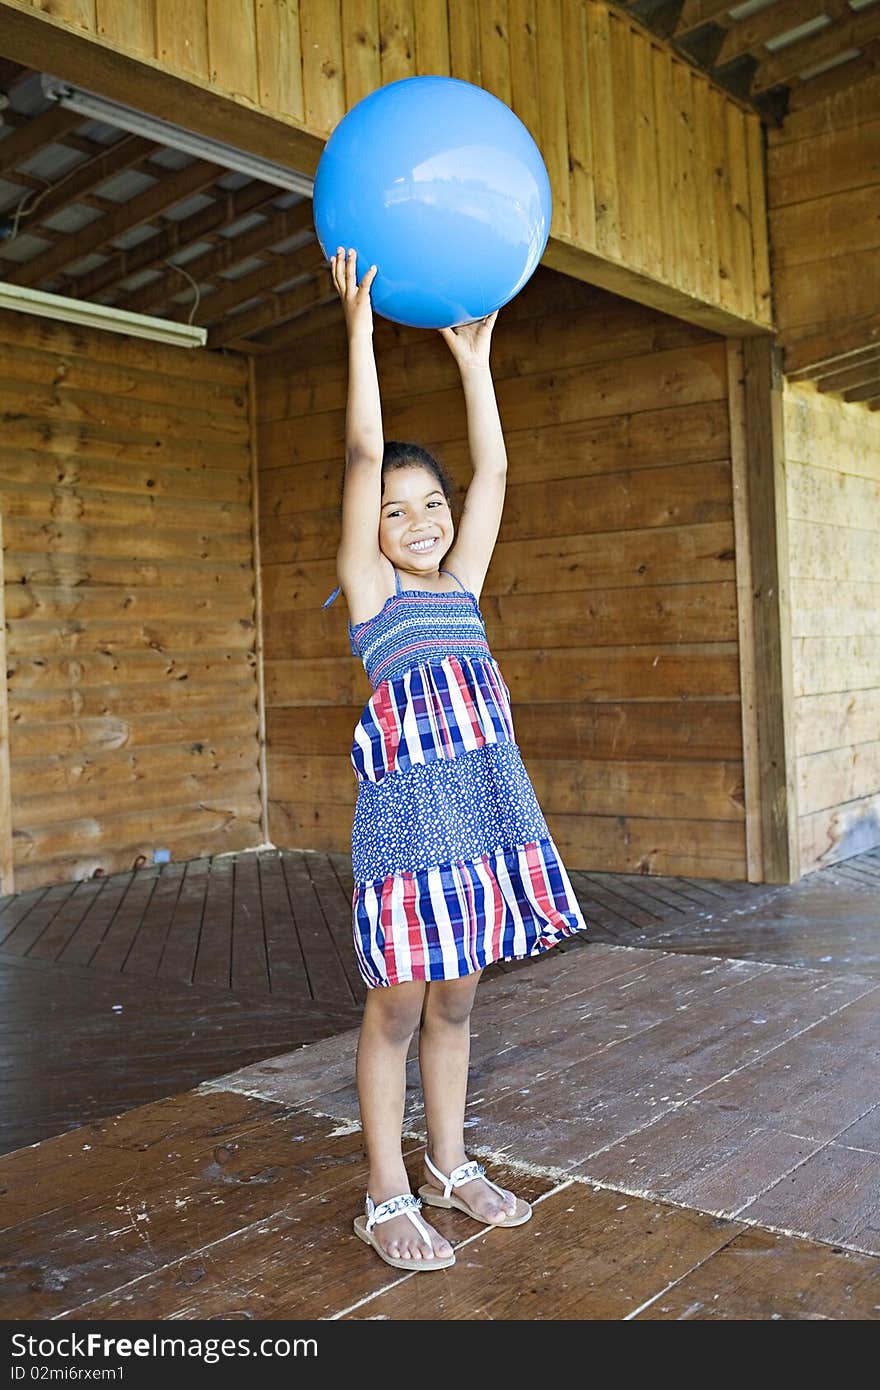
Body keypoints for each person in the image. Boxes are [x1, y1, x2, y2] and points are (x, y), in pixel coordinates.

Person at [322, 248, 589, 1272]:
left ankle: (445, 1162)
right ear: (371, 532)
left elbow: (497, 474)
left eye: (427, 503)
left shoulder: (463, 584)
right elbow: (359, 454)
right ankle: (384, 1188)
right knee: (396, 1000)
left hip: (479, 821)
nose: (419, 521)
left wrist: (474, 363)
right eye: (396, 510)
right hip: (405, 828)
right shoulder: (373, 596)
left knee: (459, 998)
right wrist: (359, 332)